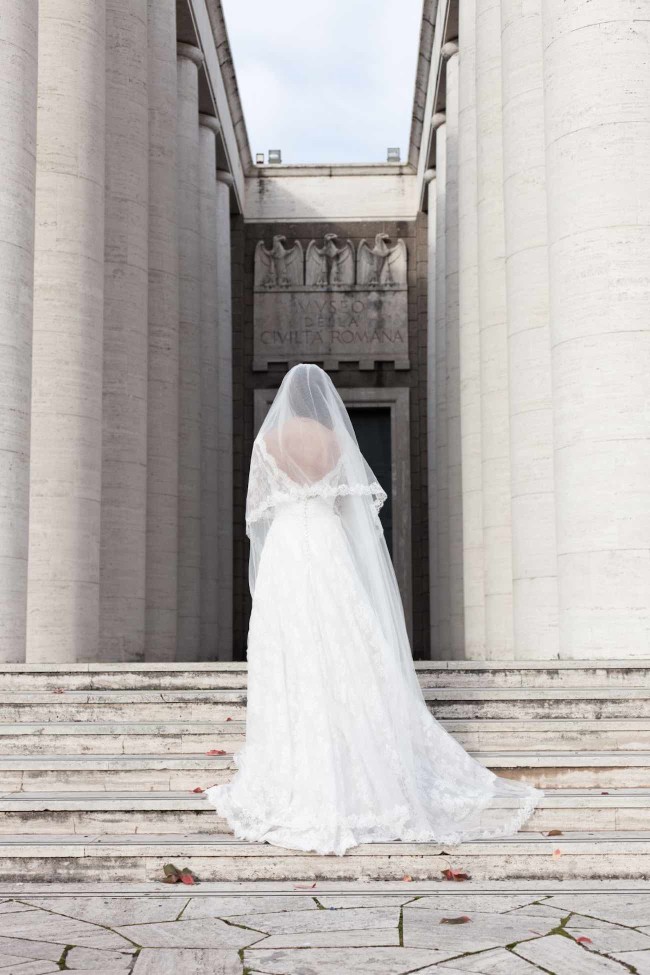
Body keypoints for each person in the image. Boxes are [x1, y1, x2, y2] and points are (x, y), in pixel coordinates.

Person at [205, 362, 542, 855]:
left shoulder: (268, 441)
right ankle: (364, 762)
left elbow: (260, 513)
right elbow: (351, 508)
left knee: (291, 649)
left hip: (285, 551)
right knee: (344, 645)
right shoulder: (334, 440)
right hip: (325, 541)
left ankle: (297, 765)